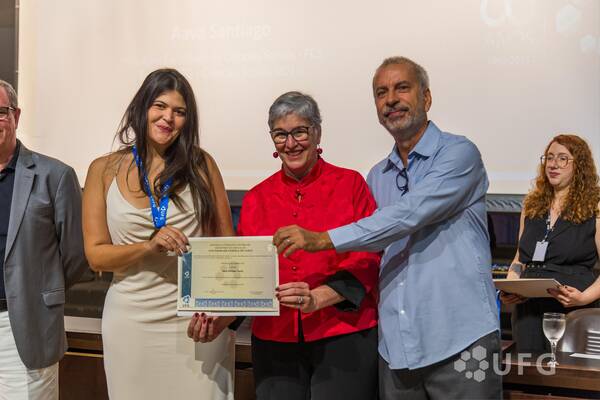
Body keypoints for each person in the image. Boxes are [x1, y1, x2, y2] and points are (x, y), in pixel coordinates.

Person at [273, 58, 502, 399]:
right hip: (396, 348)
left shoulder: (459, 154)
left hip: (461, 339)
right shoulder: (377, 176)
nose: (391, 99)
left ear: (426, 98)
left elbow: (409, 215)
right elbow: (370, 255)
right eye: (381, 93)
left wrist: (321, 239)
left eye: (401, 88)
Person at [193, 91, 380, 400]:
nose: (290, 143)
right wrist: (218, 319)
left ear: (317, 132)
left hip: (343, 334)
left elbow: (368, 257)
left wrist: (319, 298)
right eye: (280, 134)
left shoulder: (351, 184)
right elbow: (245, 275)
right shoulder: (256, 197)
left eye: (300, 132)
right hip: (274, 339)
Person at [82, 69, 235, 399]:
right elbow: (96, 255)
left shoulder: (202, 165)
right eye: (160, 106)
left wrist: (223, 314)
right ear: (142, 108)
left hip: (194, 322)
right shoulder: (102, 170)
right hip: (130, 323)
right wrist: (148, 247)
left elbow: (226, 247)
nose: (168, 118)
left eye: (179, 111)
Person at [0, 79, 88, 399]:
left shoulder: (55, 176)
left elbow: (75, 256)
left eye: (0, 112)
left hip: (25, 327)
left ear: (16, 116)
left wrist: (38, 293)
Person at [500, 134, 600, 352]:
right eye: (550, 157)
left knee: (564, 370)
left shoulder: (595, 206)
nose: (553, 164)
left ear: (579, 165)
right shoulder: (532, 204)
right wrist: (511, 286)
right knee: (530, 368)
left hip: (572, 307)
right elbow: (519, 258)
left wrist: (583, 298)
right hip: (528, 309)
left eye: (563, 158)